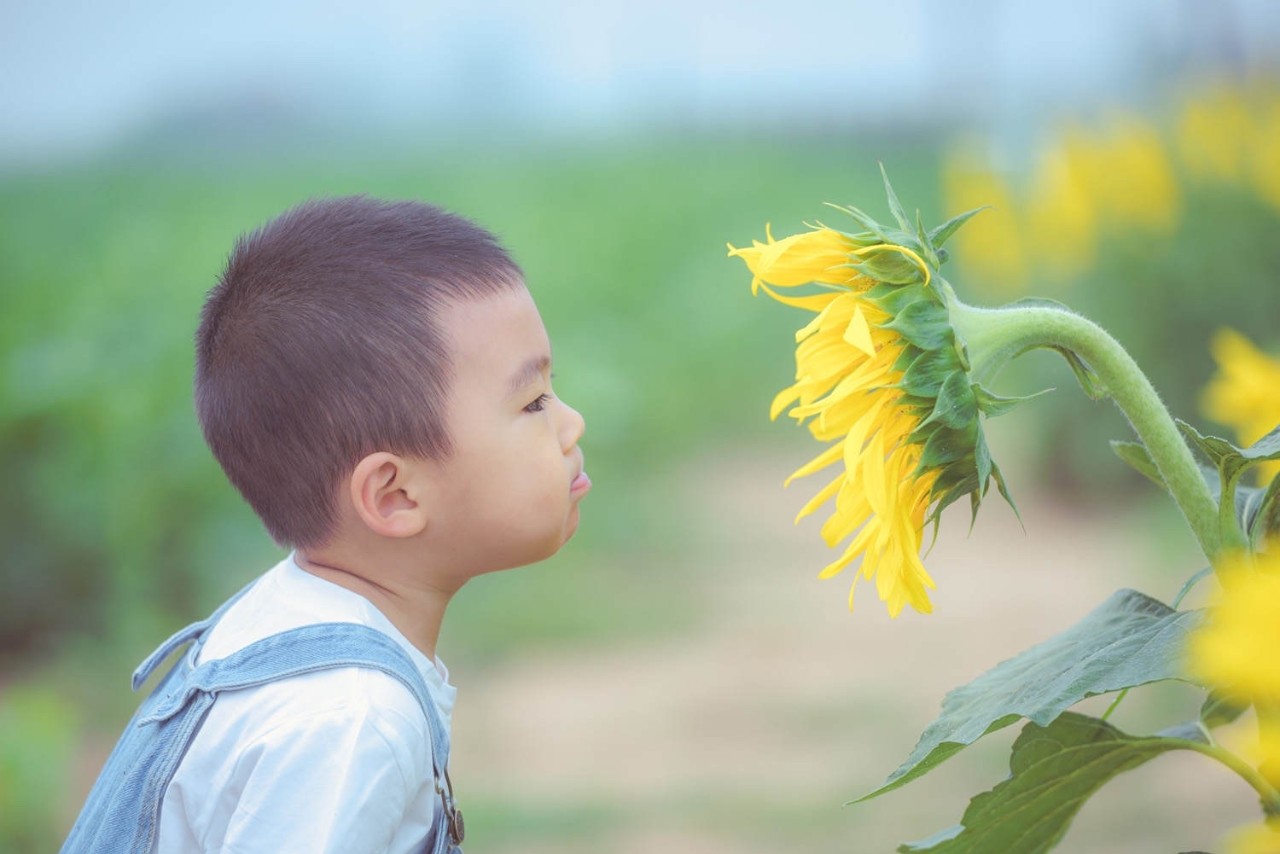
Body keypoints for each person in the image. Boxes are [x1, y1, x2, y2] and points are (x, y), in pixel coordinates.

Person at [62, 196, 591, 853]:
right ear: (394, 495)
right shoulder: (347, 721)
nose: (572, 424)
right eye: (534, 400)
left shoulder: (281, 627)